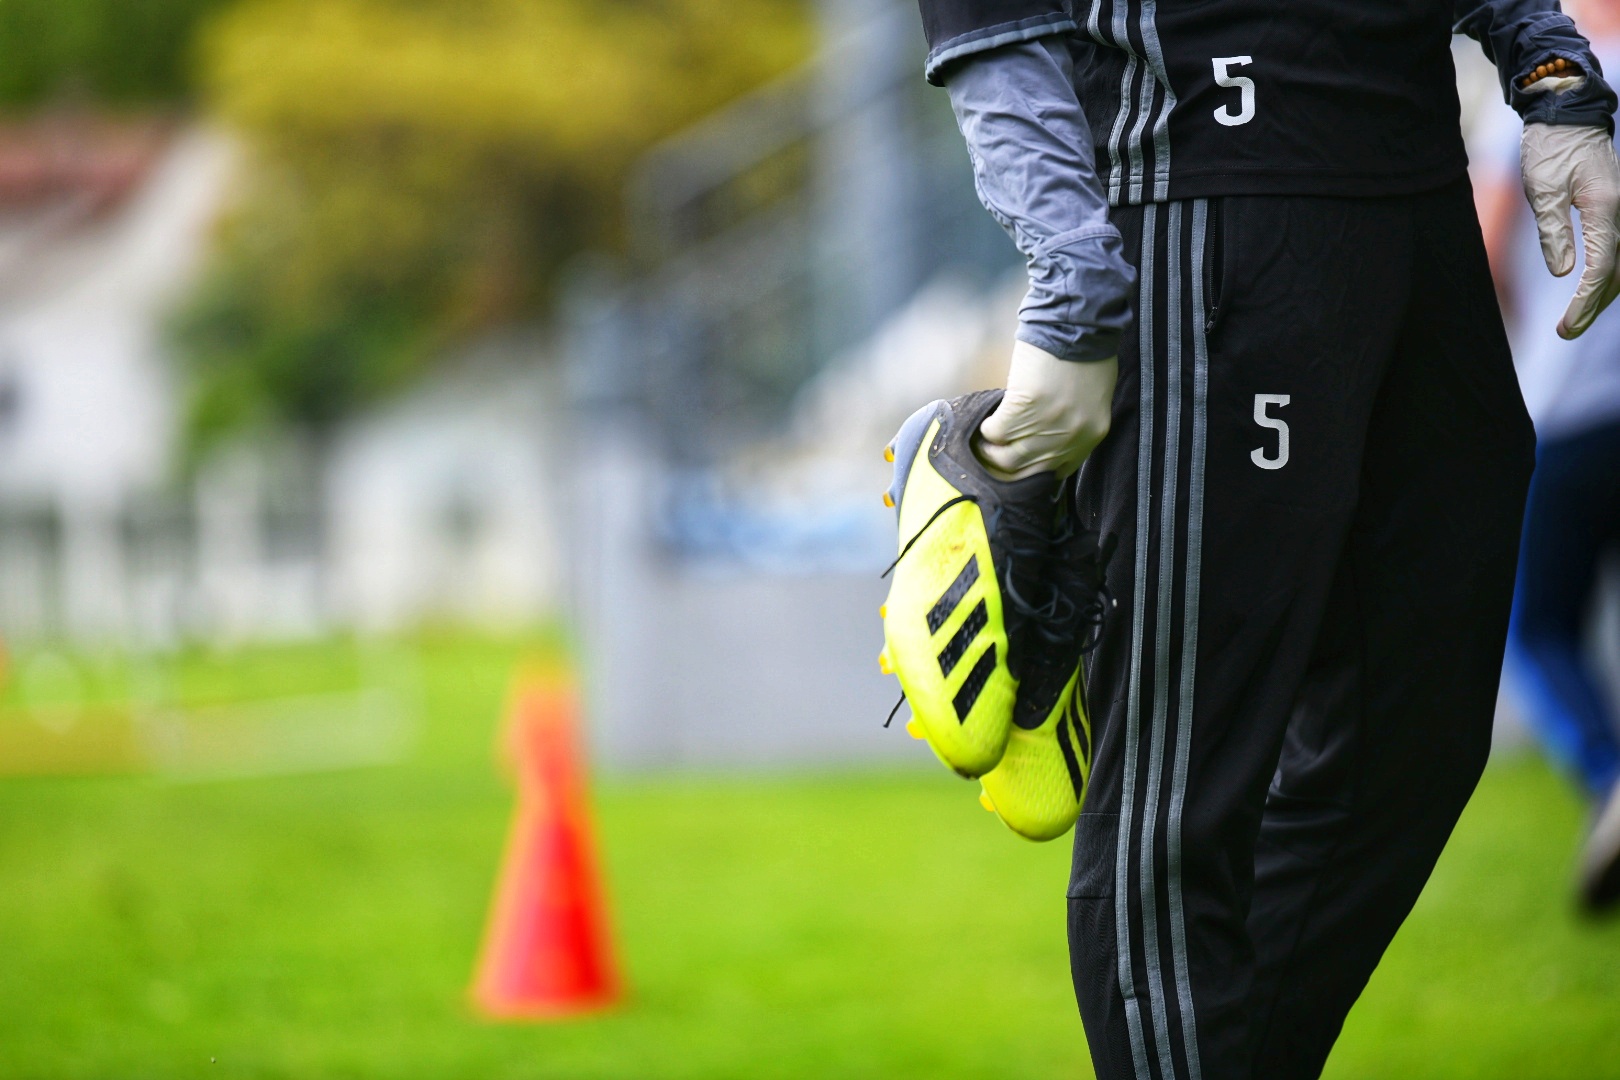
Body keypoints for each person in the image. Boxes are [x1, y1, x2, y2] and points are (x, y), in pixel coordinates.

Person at [878, 0, 1620, 1076]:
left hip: (1419, 203)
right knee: (1176, 817)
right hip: (1201, 211)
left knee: (1413, 750)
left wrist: (1552, 75)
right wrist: (1073, 281)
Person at [1477, 0, 1620, 914]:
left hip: (1567, 401)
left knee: (1533, 625)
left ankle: (1612, 780)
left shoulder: (1543, 85)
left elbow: (1487, 245)